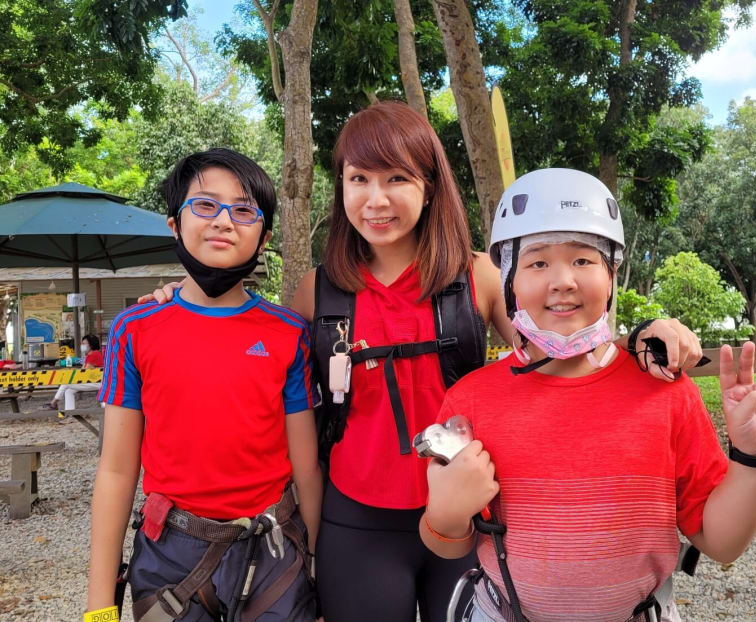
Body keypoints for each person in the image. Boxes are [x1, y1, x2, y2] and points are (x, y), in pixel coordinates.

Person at [143, 102, 705, 622]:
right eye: (358, 179)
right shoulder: (318, 291)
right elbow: (256, 365)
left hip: (470, 519)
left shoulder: (479, 275)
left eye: (396, 179)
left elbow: (563, 345)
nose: (376, 199)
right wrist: (185, 297)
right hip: (355, 520)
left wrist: (645, 336)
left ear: (430, 186)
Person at [420, 168, 756, 622]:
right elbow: (442, 540)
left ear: (611, 275)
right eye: (537, 262)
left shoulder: (666, 391)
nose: (563, 281)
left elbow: (721, 540)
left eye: (583, 260)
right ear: (510, 281)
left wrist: (754, 457)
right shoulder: (471, 399)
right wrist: (448, 512)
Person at [85, 148, 322, 622]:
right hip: (171, 552)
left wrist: (320, 577)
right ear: (174, 224)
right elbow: (115, 471)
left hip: (273, 548)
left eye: (243, 210)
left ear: (264, 236)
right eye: (206, 205)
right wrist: (99, 609)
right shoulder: (134, 330)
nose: (223, 221)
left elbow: (307, 466)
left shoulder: (288, 332)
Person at [46, 334, 104, 410]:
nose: (82, 345)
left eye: (84, 344)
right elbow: (83, 370)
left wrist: (73, 372)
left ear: (91, 345)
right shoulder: (90, 356)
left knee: (66, 383)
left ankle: (53, 403)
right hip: (92, 381)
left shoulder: (94, 354)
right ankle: (70, 414)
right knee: (69, 391)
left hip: (97, 382)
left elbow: (85, 372)